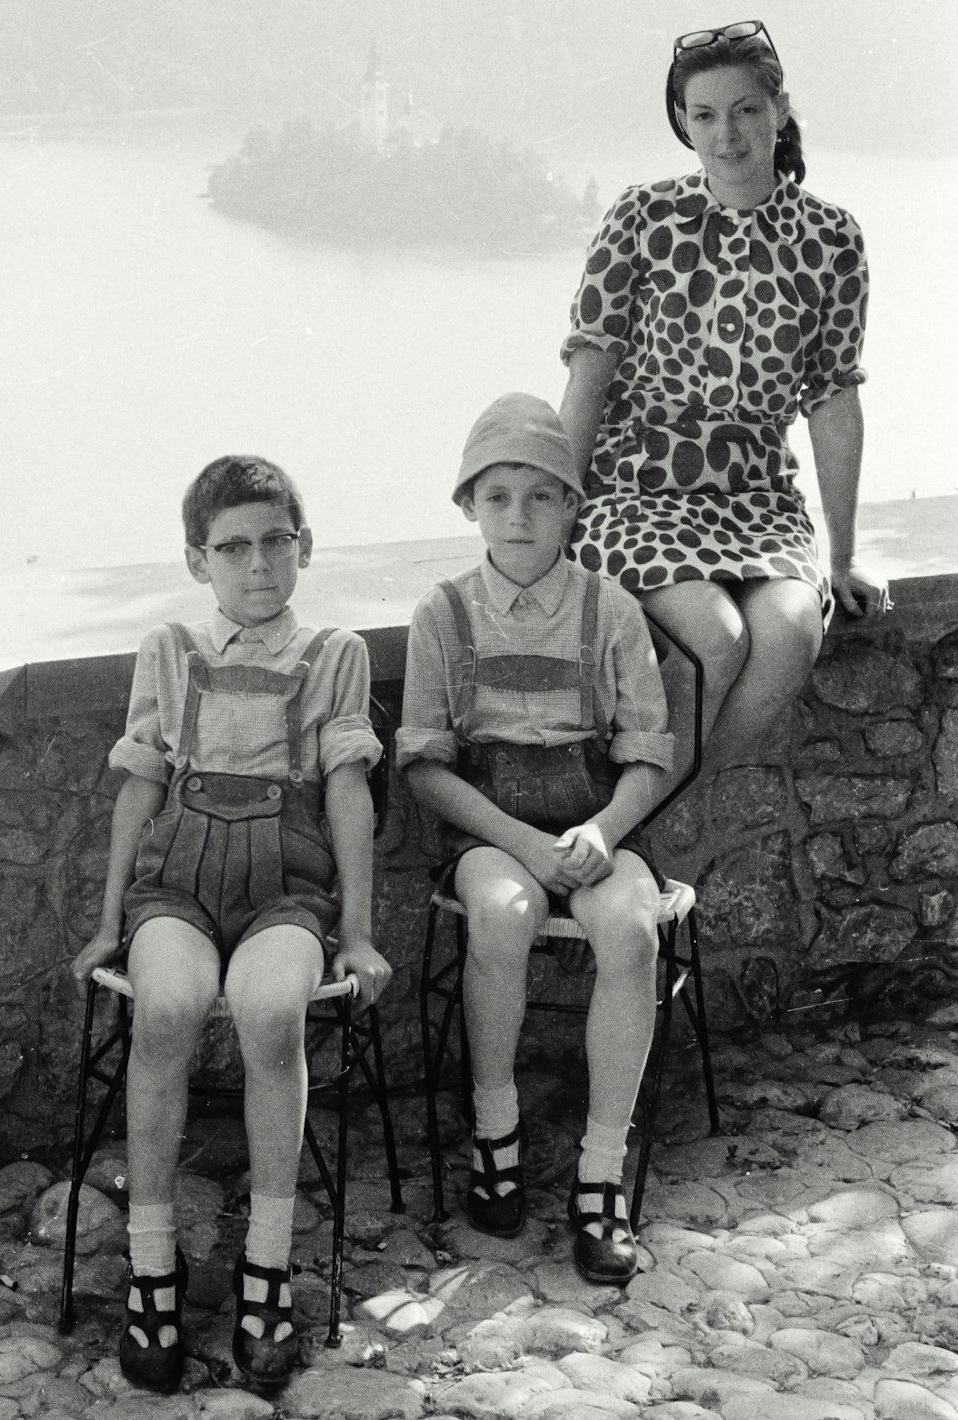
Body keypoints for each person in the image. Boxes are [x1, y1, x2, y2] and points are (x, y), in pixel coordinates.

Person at [71, 455, 392, 1391]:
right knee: (166, 1008)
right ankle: (153, 1268)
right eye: (234, 548)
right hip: (178, 881)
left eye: (276, 542)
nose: (258, 565)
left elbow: (347, 795)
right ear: (196, 558)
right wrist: (105, 922)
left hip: (286, 886)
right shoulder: (169, 649)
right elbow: (138, 789)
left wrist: (359, 932)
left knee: (267, 1009)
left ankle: (267, 1267)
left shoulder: (334, 651)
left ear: (305, 547)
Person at [559, 19, 890, 781]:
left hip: (757, 496)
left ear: (778, 108)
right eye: (704, 115)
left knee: (792, 631)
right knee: (717, 639)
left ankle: (645, 827)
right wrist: (561, 506)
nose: (726, 133)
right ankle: (646, 838)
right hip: (635, 486)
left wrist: (841, 557)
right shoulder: (644, 216)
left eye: (744, 109)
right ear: (683, 123)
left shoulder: (832, 238)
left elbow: (833, 397)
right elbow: (590, 373)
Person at [398, 393, 675, 1284]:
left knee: (631, 929)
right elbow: (425, 765)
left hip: (594, 821)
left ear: (571, 505)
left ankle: (602, 1176)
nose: (517, 517)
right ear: (469, 507)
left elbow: (645, 756)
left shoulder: (611, 611)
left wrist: (602, 828)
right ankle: (495, 1136)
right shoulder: (444, 613)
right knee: (505, 913)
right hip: (492, 828)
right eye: (497, 497)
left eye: (540, 496)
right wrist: (518, 840)